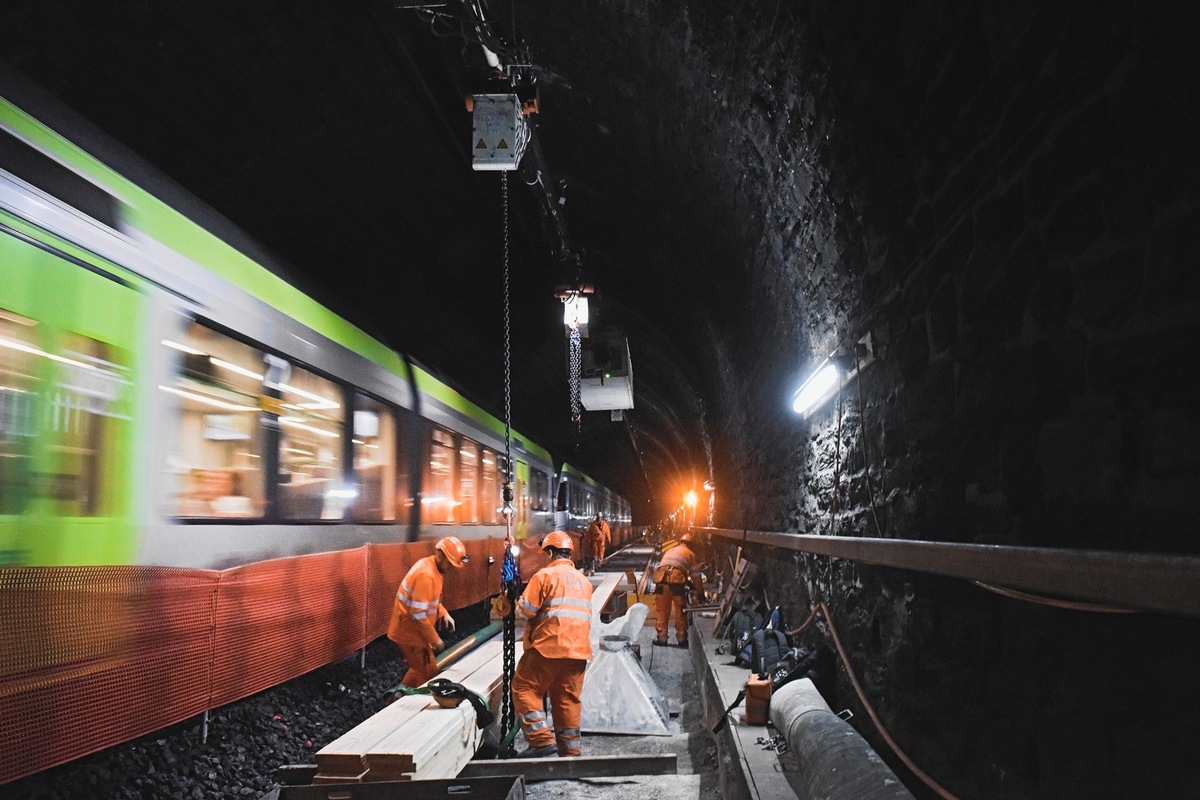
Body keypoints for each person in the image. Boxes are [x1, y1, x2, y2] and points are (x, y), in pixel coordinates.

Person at [511, 530, 594, 757]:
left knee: (524, 687)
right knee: (567, 699)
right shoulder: (584, 582)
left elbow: (525, 611)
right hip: (578, 651)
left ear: (549, 553)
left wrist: (515, 600)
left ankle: (541, 740)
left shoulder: (544, 576)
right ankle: (570, 750)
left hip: (548, 647)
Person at [387, 536, 469, 688]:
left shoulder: (432, 568)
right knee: (428, 674)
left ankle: (394, 698)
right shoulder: (427, 575)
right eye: (450, 564)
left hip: (413, 631)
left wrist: (443, 613)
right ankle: (405, 706)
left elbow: (430, 601)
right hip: (410, 633)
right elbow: (417, 614)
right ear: (440, 555)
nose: (452, 569)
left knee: (418, 668)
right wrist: (435, 639)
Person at [652, 530, 704, 648]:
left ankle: (662, 638)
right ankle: (681, 639)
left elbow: (670, 566)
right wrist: (700, 593)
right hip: (676, 583)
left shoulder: (671, 550)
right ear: (691, 544)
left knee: (662, 610)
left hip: (661, 581)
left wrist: (688, 582)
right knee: (680, 610)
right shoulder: (690, 553)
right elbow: (696, 576)